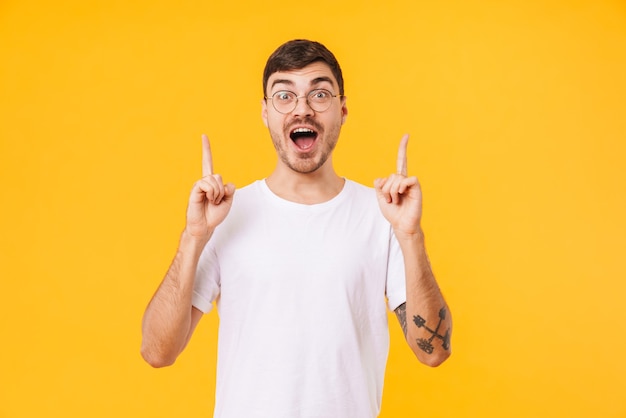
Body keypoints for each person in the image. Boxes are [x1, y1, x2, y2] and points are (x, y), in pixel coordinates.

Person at [141, 39, 452, 418]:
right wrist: (192, 238)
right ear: (265, 113)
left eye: (319, 94)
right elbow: (157, 352)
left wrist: (410, 236)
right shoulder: (225, 215)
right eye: (284, 96)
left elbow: (433, 351)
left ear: (342, 110)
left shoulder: (382, 216)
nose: (302, 110)